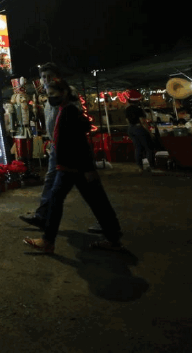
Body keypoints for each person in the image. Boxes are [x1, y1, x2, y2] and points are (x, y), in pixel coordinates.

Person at [23, 79, 123, 253]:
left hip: (73, 167)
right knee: (90, 201)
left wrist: (88, 168)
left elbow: (78, 142)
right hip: (71, 166)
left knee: (89, 201)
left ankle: (48, 241)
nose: (50, 97)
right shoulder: (66, 110)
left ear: (63, 93)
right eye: (48, 93)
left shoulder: (69, 112)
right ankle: (112, 237)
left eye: (52, 93)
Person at [19, 62, 101, 233]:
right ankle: (43, 217)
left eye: (49, 76)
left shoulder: (66, 92)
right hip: (57, 147)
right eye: (43, 77)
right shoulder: (50, 96)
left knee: (82, 186)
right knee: (57, 184)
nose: (46, 79)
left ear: (58, 77)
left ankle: (45, 221)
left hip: (69, 147)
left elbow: (74, 119)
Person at [125, 89, 154, 172]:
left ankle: (140, 167)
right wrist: (149, 131)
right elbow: (143, 121)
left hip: (131, 128)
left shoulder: (127, 109)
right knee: (148, 148)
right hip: (139, 128)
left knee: (137, 148)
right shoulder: (139, 110)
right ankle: (151, 166)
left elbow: (127, 120)